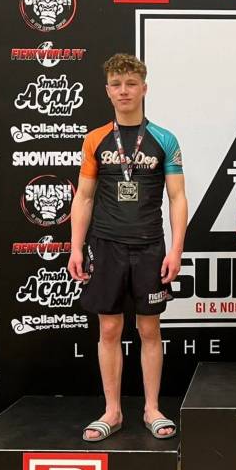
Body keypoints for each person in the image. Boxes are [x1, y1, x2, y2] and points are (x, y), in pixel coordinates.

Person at [68, 53, 187, 441]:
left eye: (131, 84)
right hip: (106, 246)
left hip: (150, 246)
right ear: (107, 91)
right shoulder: (95, 139)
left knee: (149, 328)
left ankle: (152, 408)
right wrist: (75, 248)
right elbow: (84, 197)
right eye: (117, 85)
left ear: (144, 88)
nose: (124, 91)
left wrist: (176, 250)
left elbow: (177, 197)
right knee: (109, 328)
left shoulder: (165, 139)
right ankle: (113, 411)